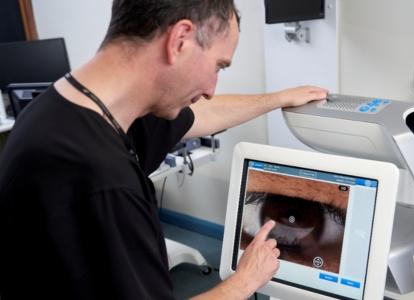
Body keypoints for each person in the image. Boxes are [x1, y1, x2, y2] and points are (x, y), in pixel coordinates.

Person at [0, 0, 327, 299]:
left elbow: (200, 115)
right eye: (218, 66)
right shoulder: (103, 179)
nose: (211, 90)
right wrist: (245, 281)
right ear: (180, 40)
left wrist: (278, 99)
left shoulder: (64, 110)